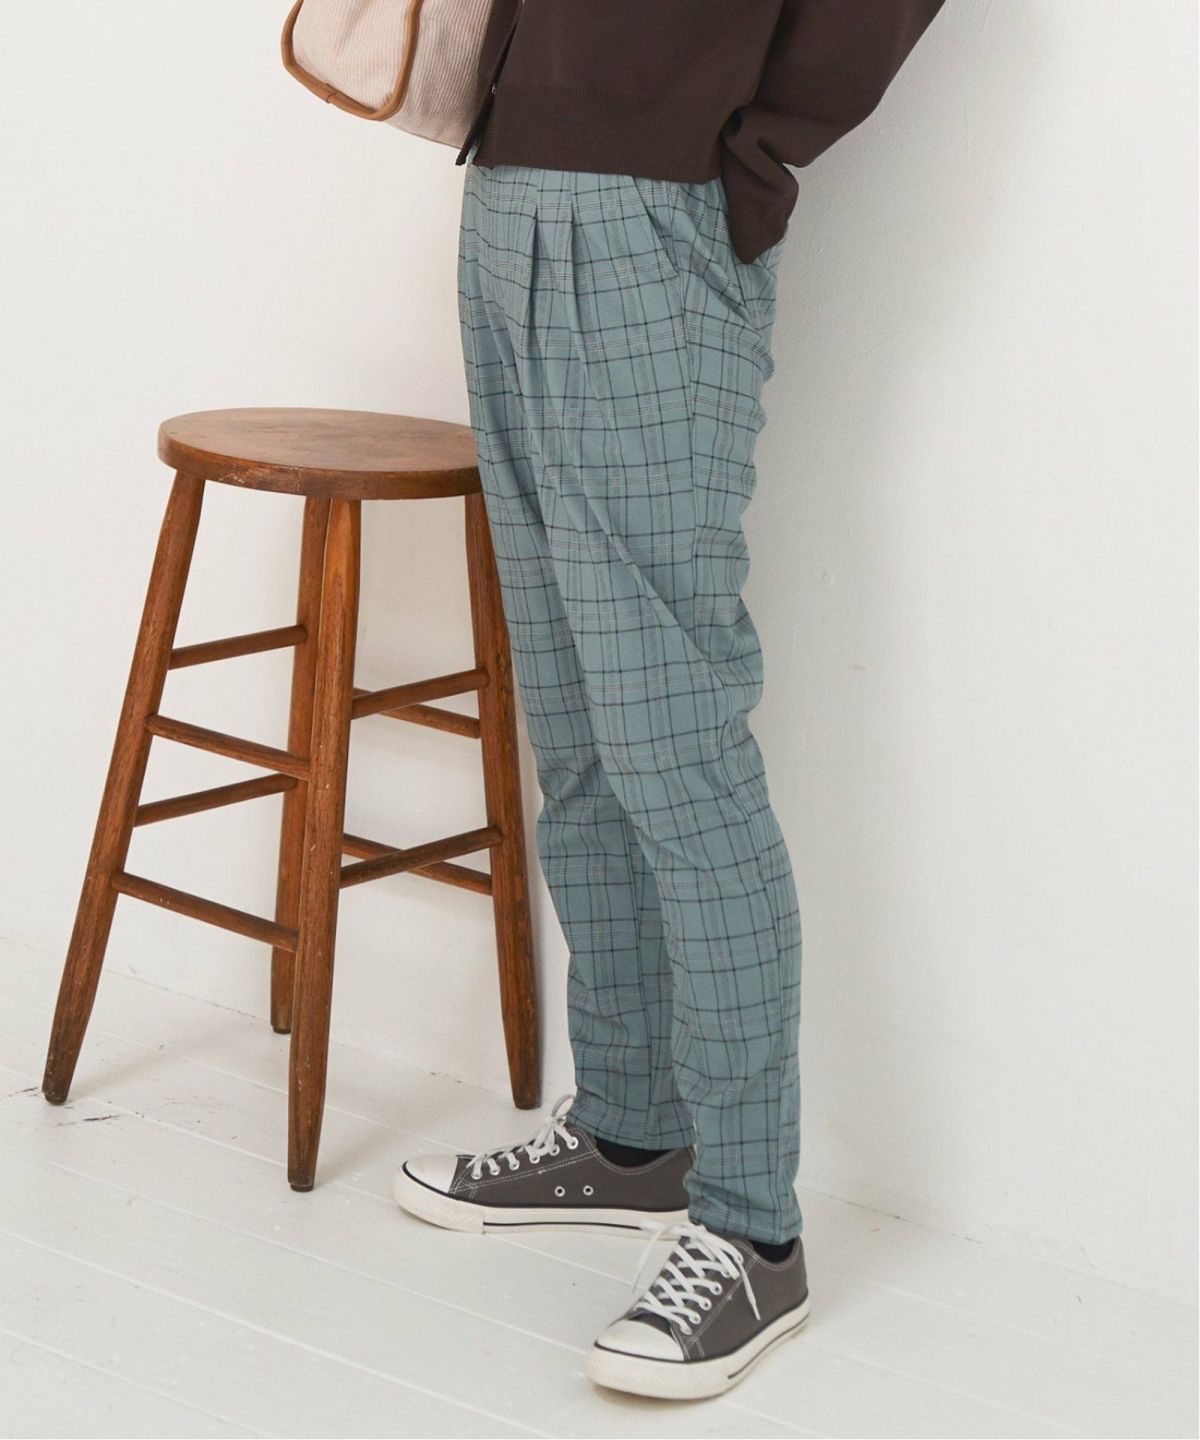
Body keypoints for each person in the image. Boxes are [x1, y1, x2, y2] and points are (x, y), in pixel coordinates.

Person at [393, 0, 946, 1400]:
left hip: (653, 216)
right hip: (508, 187)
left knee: (673, 747)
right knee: (578, 732)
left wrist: (736, 147)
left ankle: (753, 1230)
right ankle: (632, 1134)